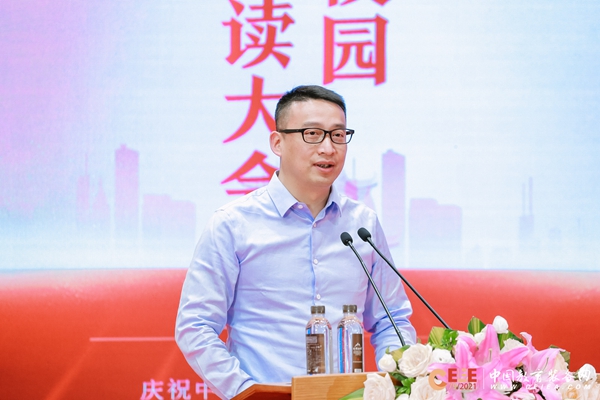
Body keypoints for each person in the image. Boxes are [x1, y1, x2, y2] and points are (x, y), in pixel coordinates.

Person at [175, 85, 416, 399]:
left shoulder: (363, 225)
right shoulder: (233, 224)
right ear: (278, 142)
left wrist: (396, 384)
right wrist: (246, 392)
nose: (328, 148)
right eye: (312, 134)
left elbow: (391, 319)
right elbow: (195, 325)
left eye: (338, 135)